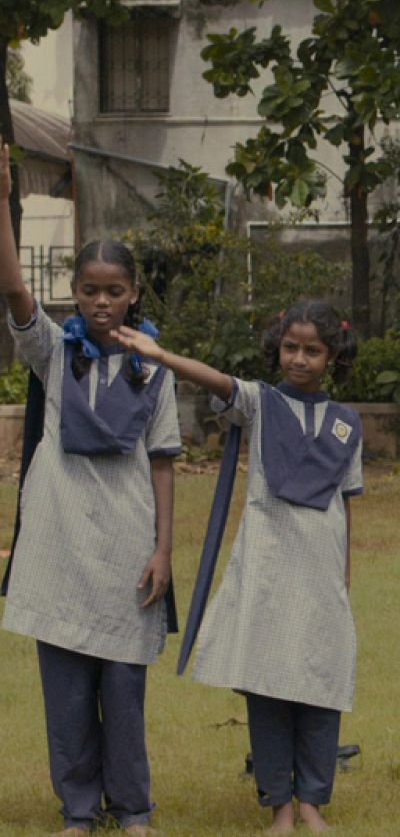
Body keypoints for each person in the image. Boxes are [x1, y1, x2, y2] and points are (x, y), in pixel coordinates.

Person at [115, 301, 363, 833]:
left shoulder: (348, 425)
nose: (299, 358)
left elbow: (347, 505)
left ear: (333, 356)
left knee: (319, 687)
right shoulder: (261, 403)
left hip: (321, 578)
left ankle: (313, 804)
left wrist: (343, 581)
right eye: (291, 347)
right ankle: (279, 807)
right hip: (268, 573)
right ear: (278, 348)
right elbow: (220, 381)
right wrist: (163, 356)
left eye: (312, 350)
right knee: (267, 687)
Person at [0, 144, 180, 836]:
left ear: (134, 293)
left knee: (125, 685)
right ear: (74, 293)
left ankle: (132, 807)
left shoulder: (153, 367)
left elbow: (163, 462)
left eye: (114, 291)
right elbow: (15, 289)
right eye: (89, 291)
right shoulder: (55, 352)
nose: (101, 303)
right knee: (66, 690)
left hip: (127, 543)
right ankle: (79, 808)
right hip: (57, 544)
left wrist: (164, 550)